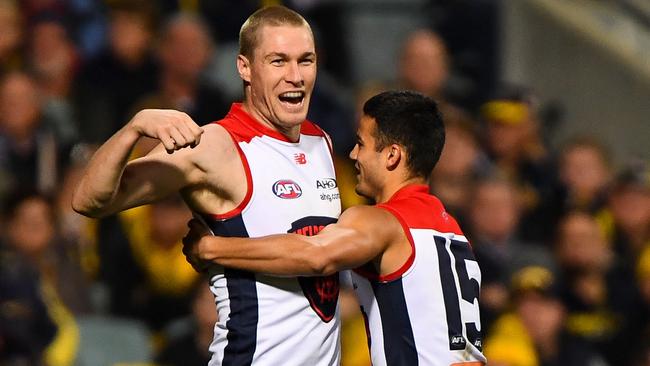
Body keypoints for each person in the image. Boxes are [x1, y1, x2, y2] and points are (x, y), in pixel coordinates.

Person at [72, 5, 341, 366]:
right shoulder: (214, 145)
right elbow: (89, 199)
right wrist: (134, 128)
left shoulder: (320, 142)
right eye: (278, 61)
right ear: (244, 67)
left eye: (305, 60)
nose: (296, 76)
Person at [183, 90, 487, 366]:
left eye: (361, 144)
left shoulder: (383, 221)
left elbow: (317, 255)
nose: (353, 155)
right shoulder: (453, 230)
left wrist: (212, 247)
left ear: (392, 155)